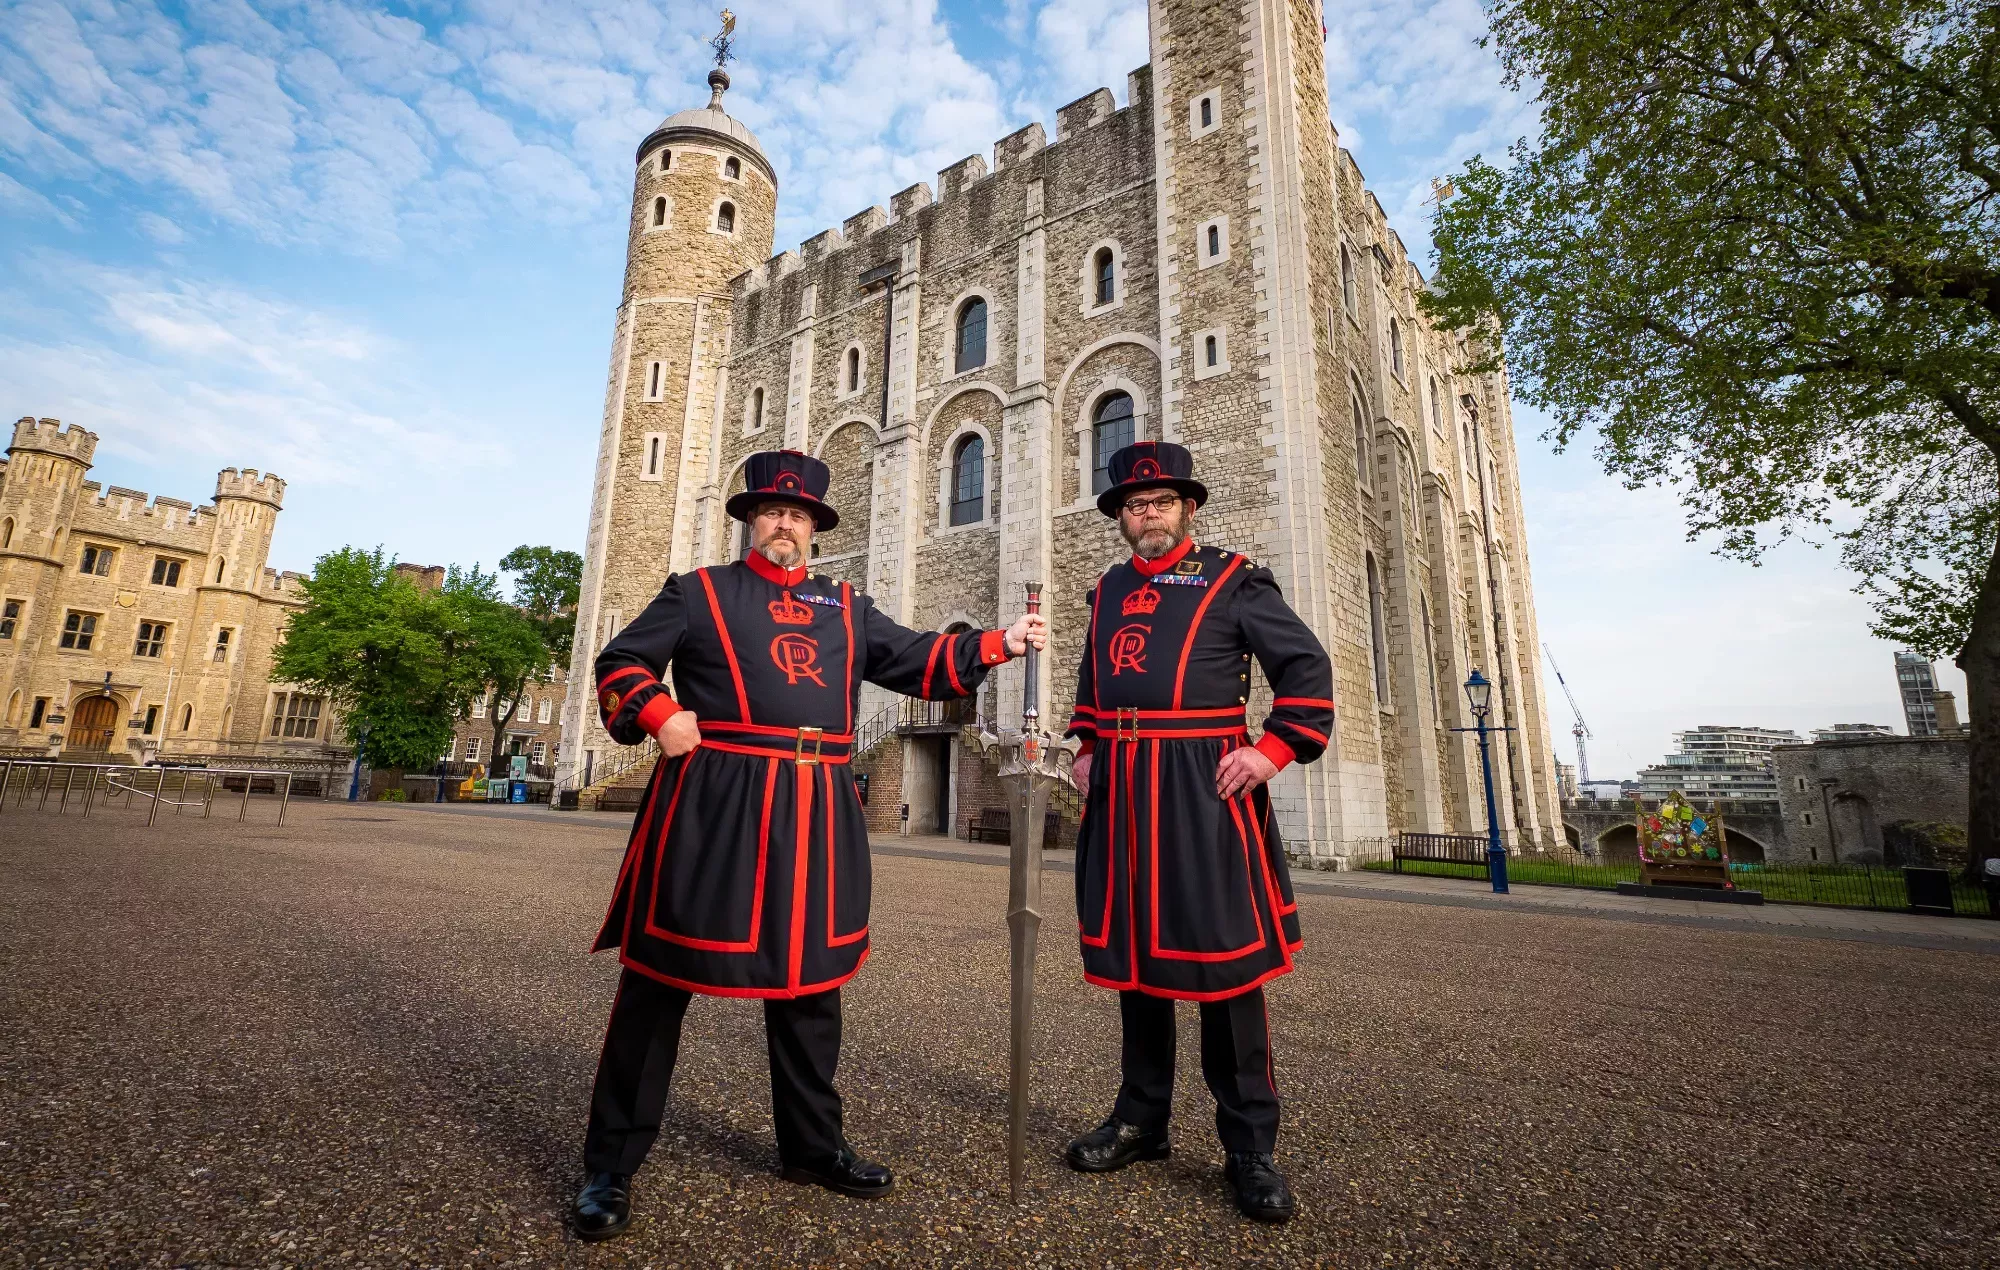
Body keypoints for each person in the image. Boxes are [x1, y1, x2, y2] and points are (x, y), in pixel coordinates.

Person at [571, 449, 1048, 1242]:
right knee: (659, 983)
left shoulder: (847, 607)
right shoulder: (698, 592)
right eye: (771, 512)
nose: (783, 525)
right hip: (713, 803)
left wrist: (1000, 642)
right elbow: (620, 661)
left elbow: (920, 660)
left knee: (809, 985)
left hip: (816, 806)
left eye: (797, 515)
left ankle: (812, 1148)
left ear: (815, 529)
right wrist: (658, 714)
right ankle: (610, 1165)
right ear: (751, 521)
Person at [1061, 441, 1335, 1224]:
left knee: (1226, 970)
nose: (1147, 514)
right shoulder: (1108, 590)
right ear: (1121, 517)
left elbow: (1306, 668)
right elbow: (1093, 681)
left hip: (1205, 787)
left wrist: (1271, 749)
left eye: (1160, 502)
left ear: (1187, 509)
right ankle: (1141, 1120)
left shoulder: (1233, 577)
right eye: (1133, 504)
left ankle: (1250, 1147)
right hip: (1123, 789)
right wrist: (1086, 746)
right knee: (1138, 962)